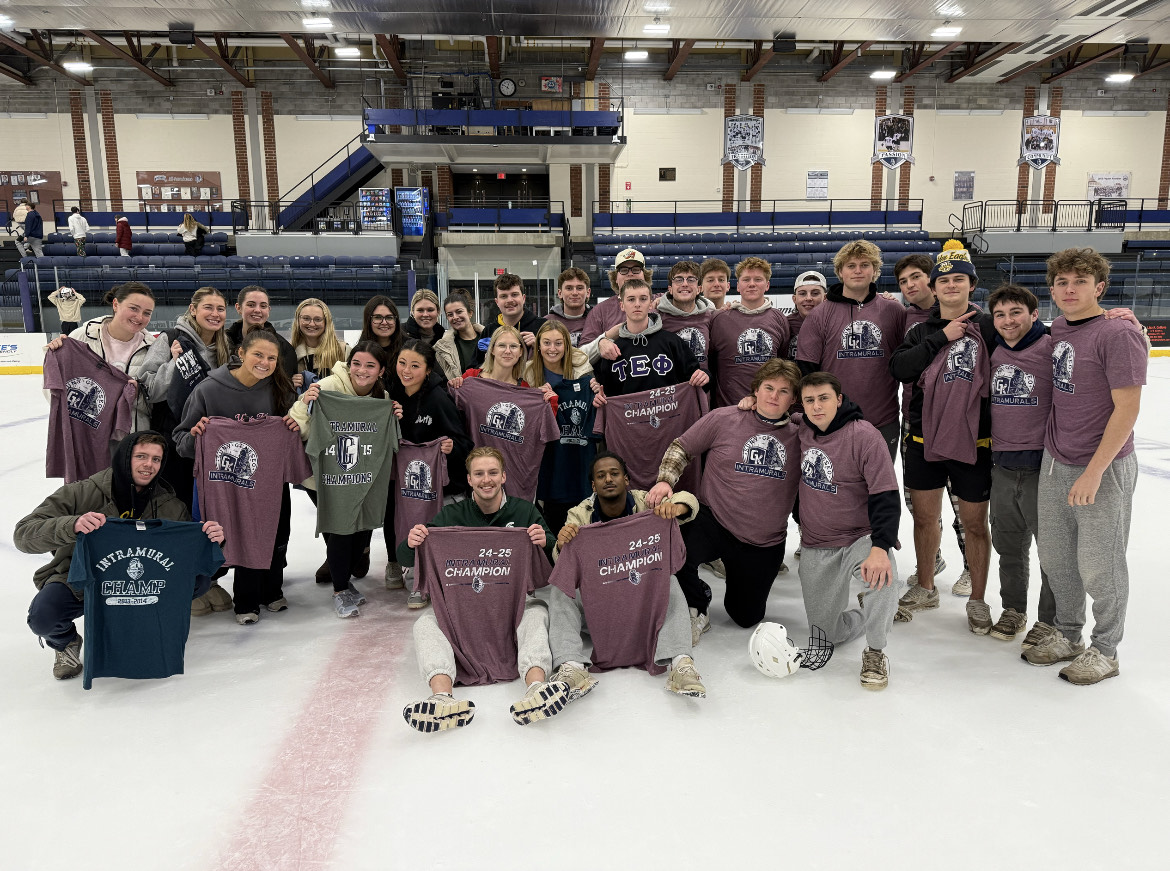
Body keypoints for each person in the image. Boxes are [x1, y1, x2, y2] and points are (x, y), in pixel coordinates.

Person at [1024, 248, 1148, 685]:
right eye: (1062, 282)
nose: (1070, 289)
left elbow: (1127, 408)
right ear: (1053, 289)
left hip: (1103, 467)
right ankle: (1068, 634)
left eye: (1080, 281)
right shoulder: (1058, 328)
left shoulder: (1118, 334)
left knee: (1101, 563)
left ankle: (1106, 649)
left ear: (1100, 287)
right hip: (1056, 461)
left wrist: (1095, 470)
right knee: (1058, 559)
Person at [15, 431, 224, 680]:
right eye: (141, 456)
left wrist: (213, 540)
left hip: (138, 585)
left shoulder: (170, 505)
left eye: (156, 459)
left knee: (197, 581)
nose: (149, 465)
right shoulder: (81, 493)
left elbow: (190, 556)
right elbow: (24, 534)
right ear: (125, 457)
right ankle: (65, 643)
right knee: (44, 617)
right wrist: (72, 525)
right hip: (84, 580)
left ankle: (143, 626)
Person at [398, 448, 569, 732]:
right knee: (425, 624)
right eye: (479, 474)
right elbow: (406, 557)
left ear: (503, 476)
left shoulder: (524, 510)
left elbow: (556, 561)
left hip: (511, 606)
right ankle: (442, 698)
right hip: (462, 611)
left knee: (537, 613)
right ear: (469, 479)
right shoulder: (451, 514)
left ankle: (537, 689)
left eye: (492, 473)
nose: (486, 480)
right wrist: (412, 541)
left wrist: (545, 542)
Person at [649, 359, 802, 638]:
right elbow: (681, 447)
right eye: (768, 388)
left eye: (783, 391)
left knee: (745, 616)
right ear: (756, 390)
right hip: (714, 521)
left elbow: (835, 424)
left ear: (794, 399)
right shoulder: (724, 418)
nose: (773, 396)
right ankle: (697, 604)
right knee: (674, 552)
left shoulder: (802, 434)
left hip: (762, 540)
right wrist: (664, 481)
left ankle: (736, 585)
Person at [889, 246, 996, 634]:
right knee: (924, 518)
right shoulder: (921, 331)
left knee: (975, 524)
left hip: (974, 441)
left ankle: (979, 598)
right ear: (934, 288)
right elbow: (900, 368)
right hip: (922, 438)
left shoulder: (991, 327)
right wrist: (942, 338)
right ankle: (925, 586)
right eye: (944, 280)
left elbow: (1034, 342)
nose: (951, 286)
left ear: (971, 285)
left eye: (959, 279)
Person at [548, 451, 706, 704]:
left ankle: (681, 663)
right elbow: (563, 564)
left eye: (614, 473)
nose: (608, 479)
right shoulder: (579, 513)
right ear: (593, 485)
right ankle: (571, 665)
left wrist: (676, 507)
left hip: (642, 603)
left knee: (669, 578)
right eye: (601, 476)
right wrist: (561, 544)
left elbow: (689, 500)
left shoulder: (647, 502)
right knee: (559, 586)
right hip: (600, 606)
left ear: (626, 479)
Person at [173, 330, 299, 625]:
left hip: (268, 481)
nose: (264, 362)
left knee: (277, 534)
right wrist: (197, 436)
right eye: (258, 355)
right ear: (241, 353)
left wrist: (294, 425)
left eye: (271, 358)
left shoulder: (279, 388)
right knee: (238, 535)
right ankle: (245, 599)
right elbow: (181, 440)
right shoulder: (208, 389)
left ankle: (271, 589)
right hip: (224, 484)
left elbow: (300, 429)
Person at [793, 372, 901, 690]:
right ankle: (862, 615)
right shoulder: (800, 428)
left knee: (884, 576)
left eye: (824, 398)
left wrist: (881, 547)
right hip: (817, 544)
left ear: (839, 400)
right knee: (828, 636)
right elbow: (771, 414)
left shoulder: (863, 435)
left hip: (859, 536)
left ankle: (876, 650)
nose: (816, 406)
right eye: (809, 400)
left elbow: (886, 494)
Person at [288, 342, 395, 618]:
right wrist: (305, 402)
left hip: (362, 477)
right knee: (340, 532)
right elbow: (296, 425)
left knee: (361, 536)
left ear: (381, 371)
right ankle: (339, 590)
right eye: (356, 363)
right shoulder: (328, 388)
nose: (361, 370)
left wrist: (394, 416)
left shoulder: (382, 397)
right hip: (327, 479)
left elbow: (388, 438)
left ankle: (344, 582)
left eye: (370, 365)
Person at [894, 251, 971, 595]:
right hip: (916, 419)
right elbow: (900, 365)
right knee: (920, 503)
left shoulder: (972, 317)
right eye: (903, 281)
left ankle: (971, 566)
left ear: (932, 279)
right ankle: (932, 558)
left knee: (962, 503)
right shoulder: (903, 315)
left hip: (961, 424)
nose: (911, 285)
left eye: (916, 277)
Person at [796, 239, 907, 459]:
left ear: (875, 270)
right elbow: (807, 370)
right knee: (839, 489)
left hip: (883, 420)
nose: (858, 270)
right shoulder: (820, 314)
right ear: (840, 271)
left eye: (865, 265)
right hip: (834, 420)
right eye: (851, 265)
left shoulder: (894, 310)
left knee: (879, 489)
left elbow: (905, 362)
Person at [388, 339, 473, 598]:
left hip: (443, 487)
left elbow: (465, 443)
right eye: (402, 363)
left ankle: (429, 577)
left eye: (415, 366)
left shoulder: (438, 398)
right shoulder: (391, 395)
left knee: (434, 532)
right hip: (408, 485)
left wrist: (451, 447)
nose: (406, 370)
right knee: (407, 526)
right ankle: (408, 568)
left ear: (427, 370)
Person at [139, 287, 232, 509]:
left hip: (210, 440)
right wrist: (176, 363)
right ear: (193, 309)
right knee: (176, 507)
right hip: (172, 441)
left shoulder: (226, 347)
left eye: (220, 309)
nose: (215, 313)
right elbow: (149, 390)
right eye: (208, 307)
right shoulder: (170, 338)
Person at [47, 282, 158, 430]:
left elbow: (155, 404)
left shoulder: (153, 348)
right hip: (87, 434)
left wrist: (136, 394)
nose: (139, 317)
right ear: (116, 304)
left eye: (147, 313)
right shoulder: (81, 337)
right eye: (133, 308)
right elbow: (56, 389)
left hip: (133, 438)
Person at [525, 320, 595, 536]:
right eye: (546, 343)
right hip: (549, 460)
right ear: (538, 345)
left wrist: (596, 391)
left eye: (558, 343)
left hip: (578, 460)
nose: (552, 349)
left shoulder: (582, 370)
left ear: (566, 345)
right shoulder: (528, 373)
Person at [591, 278, 707, 399]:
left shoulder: (672, 342)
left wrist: (704, 376)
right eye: (631, 299)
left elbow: (697, 379)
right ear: (622, 305)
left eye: (643, 299)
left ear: (650, 304)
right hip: (629, 417)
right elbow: (606, 396)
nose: (637, 304)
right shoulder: (612, 350)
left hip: (669, 415)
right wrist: (599, 397)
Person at [706, 257, 789, 408]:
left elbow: (784, 364)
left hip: (768, 409)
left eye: (758, 279)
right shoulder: (719, 319)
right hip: (729, 409)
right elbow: (710, 365)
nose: (752, 284)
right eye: (746, 279)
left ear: (767, 285)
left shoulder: (779, 319)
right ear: (738, 286)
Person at [655, 259, 717, 370]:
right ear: (670, 289)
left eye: (691, 279)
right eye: (679, 279)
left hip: (701, 385)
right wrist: (611, 340)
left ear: (699, 289)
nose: (684, 284)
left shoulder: (710, 316)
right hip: (672, 386)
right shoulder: (656, 317)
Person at [580, 249, 651, 344]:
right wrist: (601, 343)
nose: (630, 274)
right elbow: (583, 353)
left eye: (636, 269)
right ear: (615, 278)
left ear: (645, 276)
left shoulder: (661, 303)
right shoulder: (600, 311)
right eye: (624, 270)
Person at [225, 285, 297, 377]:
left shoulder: (283, 347)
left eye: (263, 306)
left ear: (268, 310)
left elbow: (285, 385)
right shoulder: (224, 342)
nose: (258, 310)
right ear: (238, 308)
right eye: (251, 305)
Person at [290, 298, 350, 388]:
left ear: (326, 322)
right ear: (298, 320)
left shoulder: (343, 350)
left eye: (318, 319)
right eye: (306, 318)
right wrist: (288, 383)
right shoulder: (289, 352)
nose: (312, 324)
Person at [433, 292, 484, 381]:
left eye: (459, 311)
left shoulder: (490, 339)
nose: (455, 317)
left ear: (470, 313)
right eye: (450, 314)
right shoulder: (443, 349)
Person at [492, 273, 545, 353]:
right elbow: (474, 364)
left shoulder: (543, 327)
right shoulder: (488, 332)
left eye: (514, 295)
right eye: (504, 296)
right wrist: (488, 360)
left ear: (523, 298)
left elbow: (559, 362)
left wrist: (539, 348)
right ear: (497, 302)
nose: (509, 300)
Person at [545, 267, 593, 346]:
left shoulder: (598, 320)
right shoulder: (546, 322)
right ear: (560, 293)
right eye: (569, 288)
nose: (574, 293)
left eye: (579, 288)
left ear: (588, 292)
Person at [787, 270, 827, 360]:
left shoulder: (833, 323)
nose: (808, 298)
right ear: (794, 299)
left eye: (815, 293)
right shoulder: (785, 324)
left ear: (825, 298)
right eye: (802, 293)